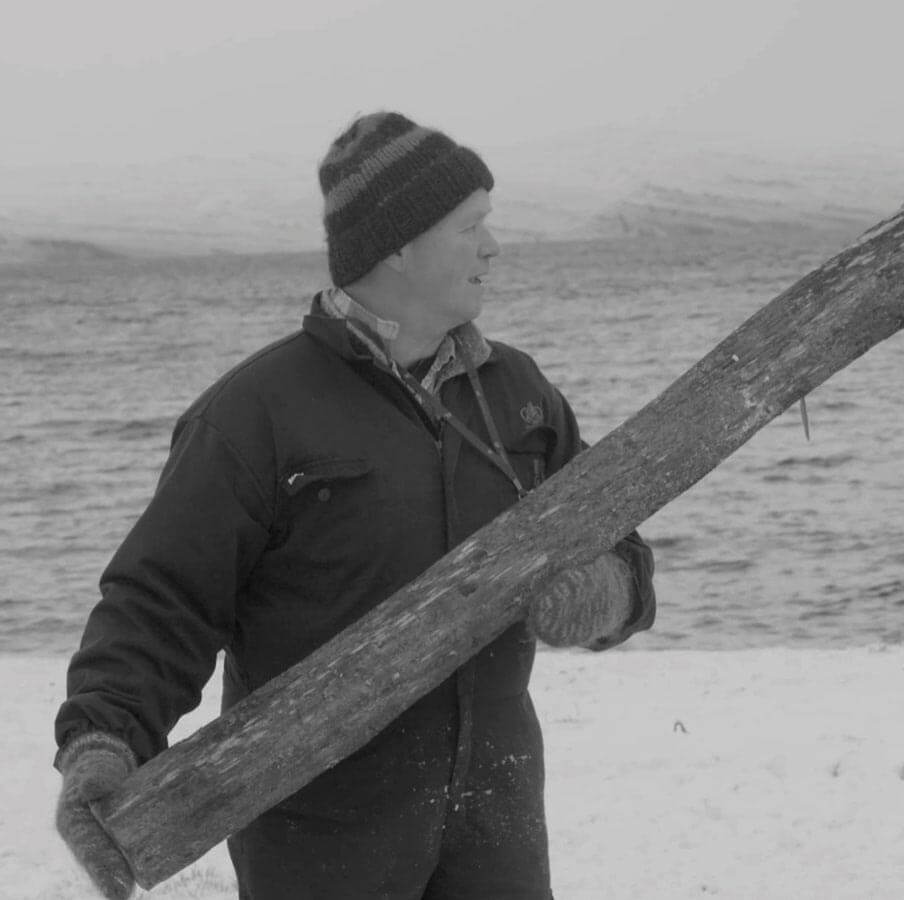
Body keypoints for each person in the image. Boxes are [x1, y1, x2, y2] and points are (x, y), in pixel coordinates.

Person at [52, 111, 657, 900]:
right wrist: (102, 744)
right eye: (471, 226)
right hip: (319, 835)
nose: (493, 247)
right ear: (397, 245)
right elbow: (161, 600)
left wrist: (608, 593)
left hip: (495, 823)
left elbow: (626, 551)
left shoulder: (519, 395)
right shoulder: (254, 414)